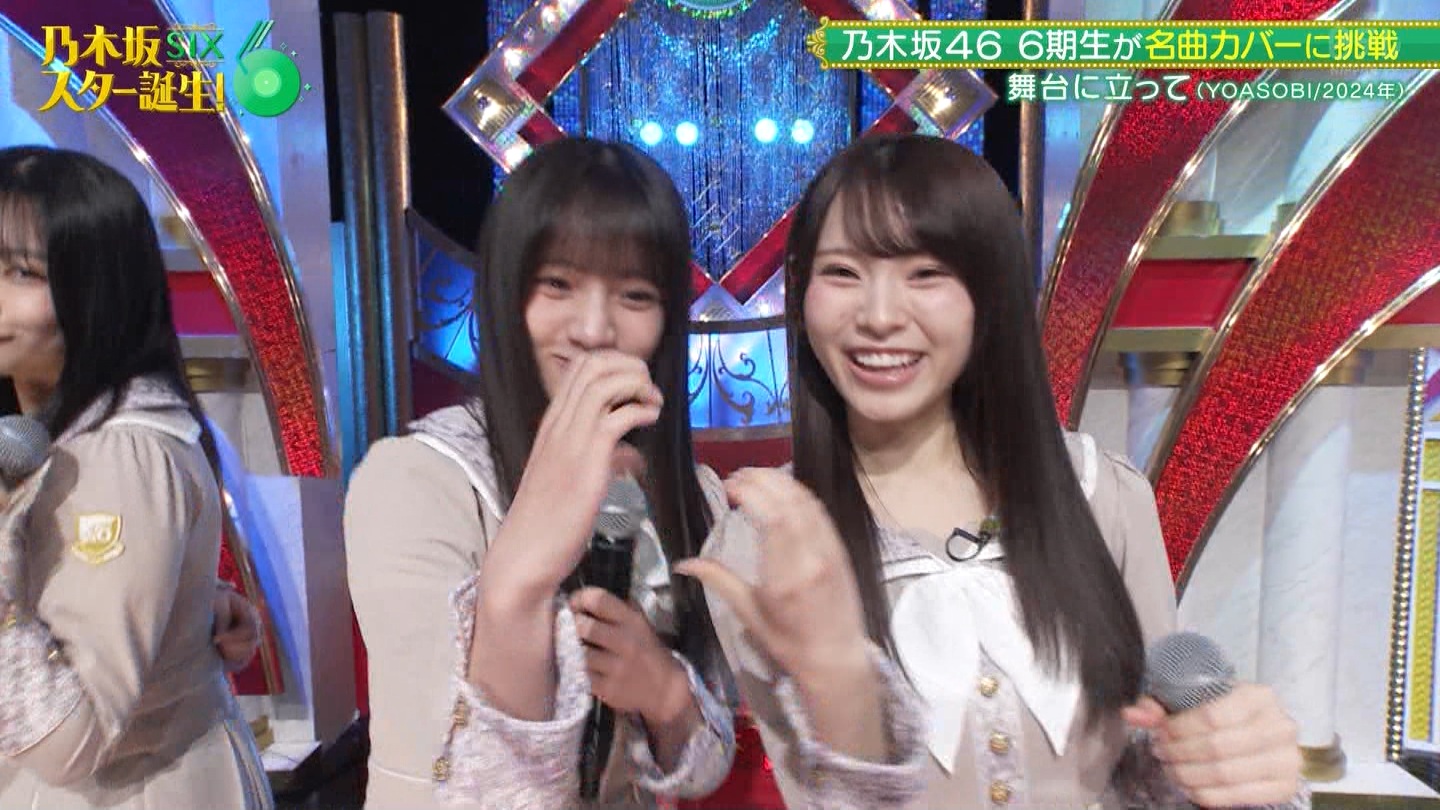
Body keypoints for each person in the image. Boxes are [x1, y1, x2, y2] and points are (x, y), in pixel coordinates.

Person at [680, 134, 1309, 809]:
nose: (880, 317)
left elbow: (1153, 759)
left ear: (990, 297)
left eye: (927, 274)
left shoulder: (1100, 493)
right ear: (801, 298)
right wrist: (840, 681)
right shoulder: (767, 544)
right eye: (842, 273)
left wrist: (1228, 761)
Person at [0, 145, 272, 808]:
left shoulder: (123, 453)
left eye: (20, 272)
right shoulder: (45, 425)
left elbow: (70, 744)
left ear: (97, 289)